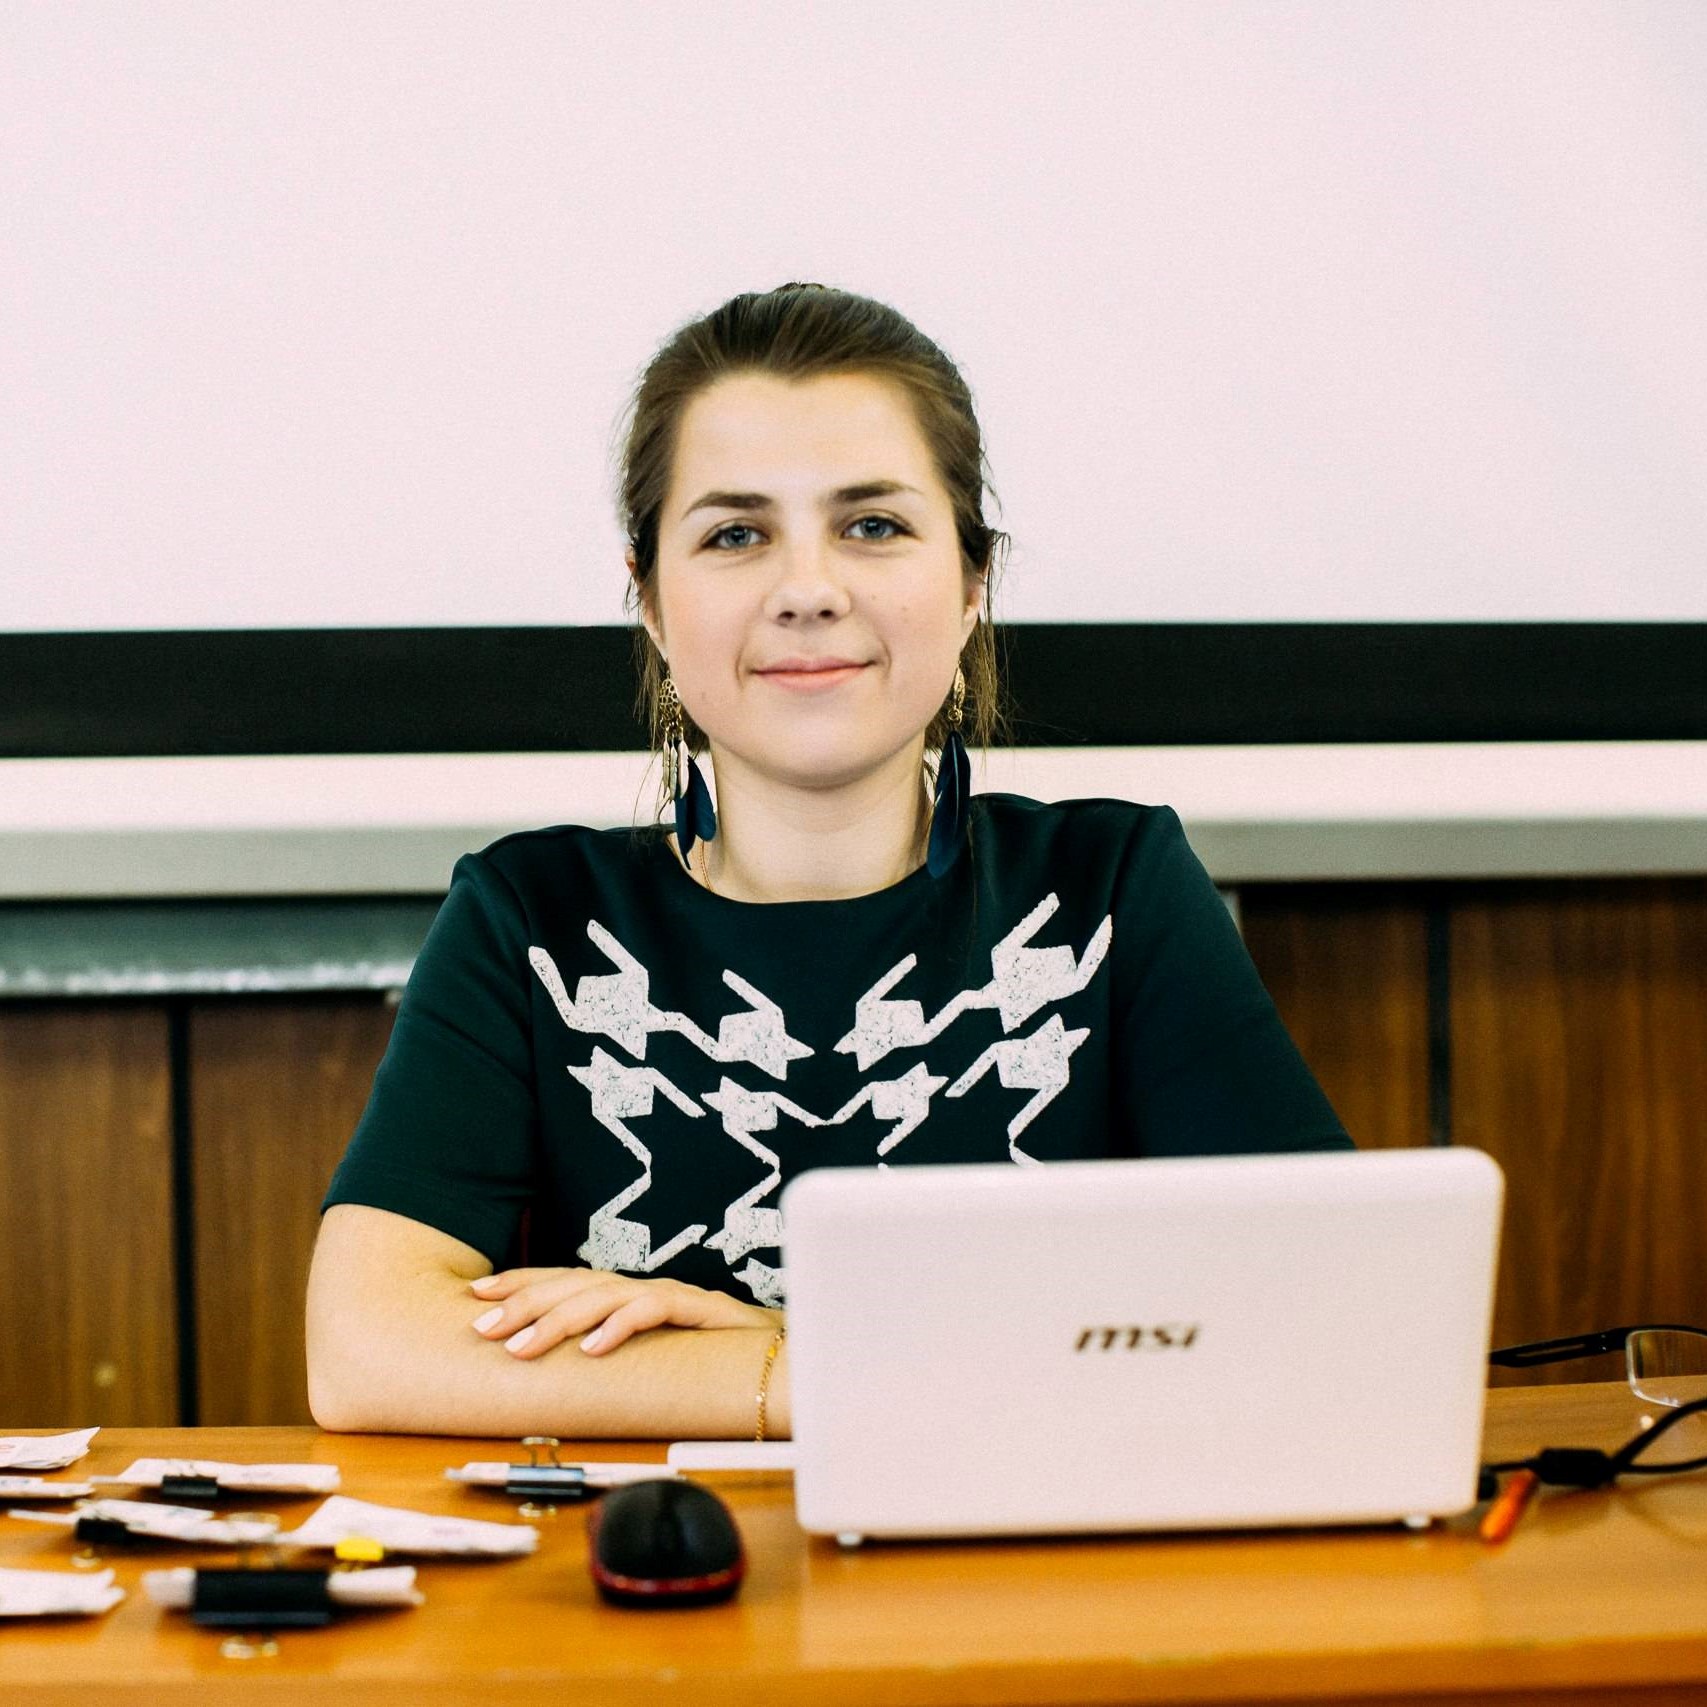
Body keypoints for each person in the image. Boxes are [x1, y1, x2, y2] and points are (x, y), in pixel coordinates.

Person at [306, 282, 1352, 1441]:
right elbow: (365, 1345)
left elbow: (1326, 1304)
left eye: (873, 526)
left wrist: (779, 1348)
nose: (808, 590)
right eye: (735, 535)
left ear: (972, 583)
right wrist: (789, 1380)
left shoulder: (1109, 893)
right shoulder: (535, 924)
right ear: (649, 599)